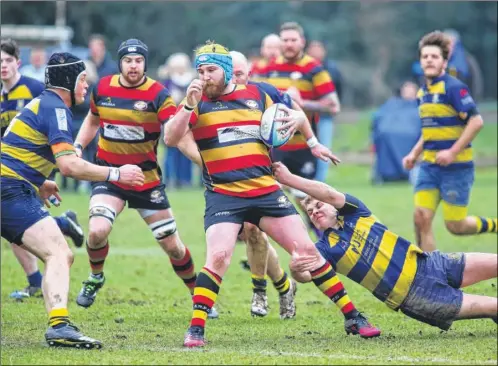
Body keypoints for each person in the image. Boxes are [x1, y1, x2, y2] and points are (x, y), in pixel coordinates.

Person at [164, 41, 379, 348]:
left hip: (266, 191)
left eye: (210, 70)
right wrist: (187, 104)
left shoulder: (260, 93)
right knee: (220, 256)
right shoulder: (196, 102)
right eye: (200, 70)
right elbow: (171, 138)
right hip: (224, 195)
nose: (204, 76)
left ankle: (353, 316)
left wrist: (308, 135)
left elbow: (297, 113)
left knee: (307, 252)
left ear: (226, 72)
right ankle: (196, 328)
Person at [1, 51, 145, 348]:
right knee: (59, 253)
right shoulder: (56, 108)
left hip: (14, 186)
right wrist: (117, 174)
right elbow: (70, 166)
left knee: (58, 252)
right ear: (69, 81)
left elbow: (16, 150)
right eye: (82, 80)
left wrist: (40, 181)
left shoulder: (43, 102)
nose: (86, 88)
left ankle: (59, 323)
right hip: (9, 189)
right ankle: (59, 326)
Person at [73, 39, 218, 318]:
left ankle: (196, 295)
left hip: (145, 180)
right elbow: (93, 119)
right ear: (120, 63)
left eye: (138, 61)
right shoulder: (102, 87)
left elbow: (176, 131)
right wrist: (78, 146)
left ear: (145, 63)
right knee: (97, 230)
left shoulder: (157, 93)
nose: (133, 66)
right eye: (128, 61)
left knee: (173, 247)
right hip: (110, 176)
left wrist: (203, 161)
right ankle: (95, 277)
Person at [272, 161, 498, 332]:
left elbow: (329, 193)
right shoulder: (324, 248)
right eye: (310, 212)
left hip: (431, 263)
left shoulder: (355, 211)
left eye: (319, 206)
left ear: (332, 206)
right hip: (416, 297)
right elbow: (307, 276)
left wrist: (290, 179)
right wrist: (294, 269)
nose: (315, 212)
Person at [1, 39, 85, 300]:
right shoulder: (4, 97)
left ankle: (38, 282)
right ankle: (61, 227)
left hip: (26, 172)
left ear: (18, 62)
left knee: (21, 229)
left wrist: (41, 179)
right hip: (13, 172)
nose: (2, 66)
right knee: (21, 232)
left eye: (7, 60)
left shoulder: (40, 91)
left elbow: (54, 142)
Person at [402, 31, 497, 253]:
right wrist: (414, 154)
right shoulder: (422, 92)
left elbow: (476, 121)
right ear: (420, 61)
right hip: (429, 167)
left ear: (444, 61)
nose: (429, 60)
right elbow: (430, 130)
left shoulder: (454, 87)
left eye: (434, 56)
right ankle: (431, 273)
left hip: (456, 169)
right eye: (425, 56)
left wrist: (452, 152)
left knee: (456, 226)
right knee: (420, 217)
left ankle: (495, 225)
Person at [257, 22, 341, 238]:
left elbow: (333, 105)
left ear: (302, 42)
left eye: (293, 40)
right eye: (285, 40)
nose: (289, 44)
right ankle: (262, 251)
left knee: (307, 200)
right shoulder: (269, 67)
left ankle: (328, 239)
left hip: (303, 146)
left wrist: (302, 103)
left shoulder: (313, 68)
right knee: (264, 197)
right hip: (275, 147)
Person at [306, 40, 343, 182]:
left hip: (324, 116)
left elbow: (338, 90)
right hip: (307, 116)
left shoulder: (331, 69)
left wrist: (334, 107)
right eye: (312, 48)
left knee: (324, 147)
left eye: (318, 48)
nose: (315, 52)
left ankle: (320, 181)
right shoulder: (304, 69)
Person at [158, 53, 196, 188]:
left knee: (186, 151)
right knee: (170, 151)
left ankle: (185, 180)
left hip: (188, 121)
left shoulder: (191, 80)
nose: (179, 69)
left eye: (181, 66)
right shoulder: (167, 81)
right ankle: (169, 179)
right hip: (170, 120)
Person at [371, 81, 421, 185]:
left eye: (411, 89)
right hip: (387, 133)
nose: (408, 92)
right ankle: (385, 174)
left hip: (411, 134)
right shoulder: (392, 104)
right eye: (406, 89)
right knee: (384, 135)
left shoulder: (419, 107)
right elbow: (379, 117)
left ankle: (406, 171)